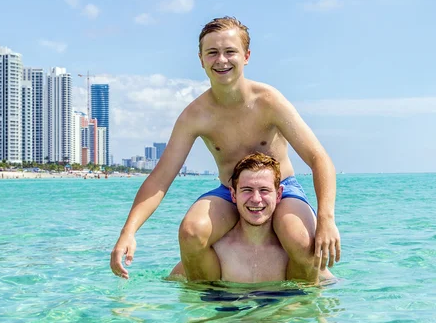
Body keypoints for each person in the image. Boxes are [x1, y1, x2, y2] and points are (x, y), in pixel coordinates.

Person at [111, 16, 340, 282]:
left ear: (246, 56)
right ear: (201, 59)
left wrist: (326, 219)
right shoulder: (195, 115)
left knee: (301, 240)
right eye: (212, 53)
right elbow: (161, 178)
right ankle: (211, 302)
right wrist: (128, 231)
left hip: (281, 189)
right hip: (230, 193)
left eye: (230, 51)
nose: (221, 60)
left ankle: (295, 301)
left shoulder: (269, 101)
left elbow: (318, 158)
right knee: (191, 231)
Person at [169, 152, 334, 283]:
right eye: (247, 190)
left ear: (279, 195)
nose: (256, 199)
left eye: (264, 190)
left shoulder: (296, 254)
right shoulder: (217, 251)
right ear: (233, 195)